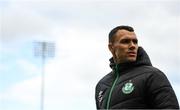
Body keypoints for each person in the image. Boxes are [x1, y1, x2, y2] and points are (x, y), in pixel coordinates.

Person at [95, 25, 179, 109]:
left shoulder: (153, 76)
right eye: (125, 41)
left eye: (135, 42)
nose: (132, 46)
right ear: (111, 47)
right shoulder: (102, 85)